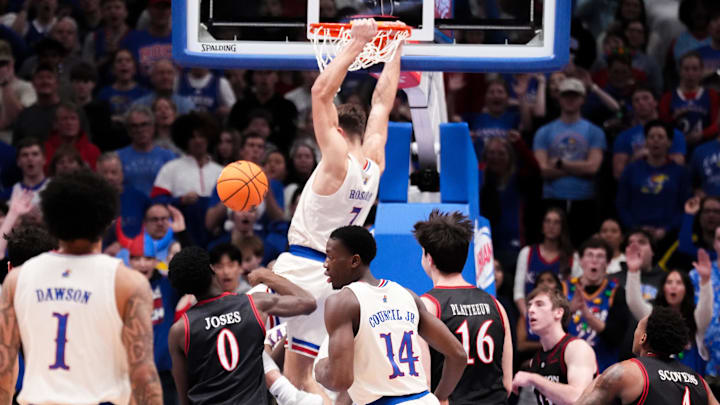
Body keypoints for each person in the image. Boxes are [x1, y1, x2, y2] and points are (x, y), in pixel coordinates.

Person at [266, 19, 401, 397]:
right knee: (306, 373)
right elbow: (382, 104)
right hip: (333, 274)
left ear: (337, 132)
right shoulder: (374, 163)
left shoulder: (337, 159)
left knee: (294, 376)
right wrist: (394, 51)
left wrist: (356, 45)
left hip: (304, 268)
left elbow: (321, 92)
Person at [0, 170, 163, 404]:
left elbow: (4, 369)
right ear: (107, 221)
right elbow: (144, 374)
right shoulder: (128, 282)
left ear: (51, 219)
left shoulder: (17, 279)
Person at [314, 225, 467, 404]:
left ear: (354, 261)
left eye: (330, 257)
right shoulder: (407, 295)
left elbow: (340, 380)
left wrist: (319, 369)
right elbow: (458, 355)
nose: (325, 264)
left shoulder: (342, 302)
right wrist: (439, 397)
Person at [166, 246, 318, 404]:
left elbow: (184, 398)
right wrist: (266, 275)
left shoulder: (180, 330)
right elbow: (308, 302)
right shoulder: (254, 304)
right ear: (211, 268)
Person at [417, 210, 513, 404]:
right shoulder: (496, 305)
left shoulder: (426, 306)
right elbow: (507, 384)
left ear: (429, 258)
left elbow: (424, 383)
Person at [575, 306, 719, 405]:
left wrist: (598, 381)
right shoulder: (700, 382)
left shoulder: (625, 372)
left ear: (643, 338)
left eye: (637, 328)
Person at [532, 77, 607, 247]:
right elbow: (542, 169)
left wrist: (559, 164)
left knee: (582, 247)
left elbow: (593, 167)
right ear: (558, 98)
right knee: (551, 246)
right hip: (553, 198)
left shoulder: (594, 131)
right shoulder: (544, 131)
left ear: (583, 99)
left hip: (584, 200)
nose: (570, 100)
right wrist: (579, 167)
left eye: (575, 96)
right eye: (566, 95)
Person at [626, 245, 713, 373]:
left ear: (686, 289)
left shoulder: (696, 321)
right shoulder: (654, 316)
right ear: (663, 288)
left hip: (691, 389)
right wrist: (633, 272)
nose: (673, 286)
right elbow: (634, 303)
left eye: (678, 283)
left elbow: (706, 311)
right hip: (660, 387)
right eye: (669, 282)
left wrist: (705, 281)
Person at [511, 286, 597, 405]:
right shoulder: (536, 361)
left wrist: (534, 379)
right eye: (529, 305)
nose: (530, 310)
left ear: (558, 312)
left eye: (539, 304)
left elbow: (578, 397)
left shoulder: (577, 348)